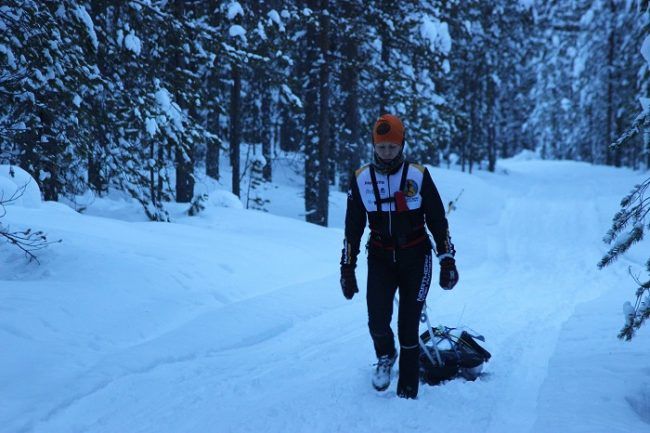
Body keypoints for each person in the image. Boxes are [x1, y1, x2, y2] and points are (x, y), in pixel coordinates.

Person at [340, 113, 459, 399]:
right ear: (373, 146)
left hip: (416, 256)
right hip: (380, 257)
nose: (387, 152)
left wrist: (447, 260)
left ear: (402, 144)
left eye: (392, 147)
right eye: (381, 147)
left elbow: (438, 220)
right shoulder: (361, 179)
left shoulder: (418, 175)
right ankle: (385, 355)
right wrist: (347, 268)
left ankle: (407, 394)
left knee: (408, 327)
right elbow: (352, 229)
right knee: (377, 321)